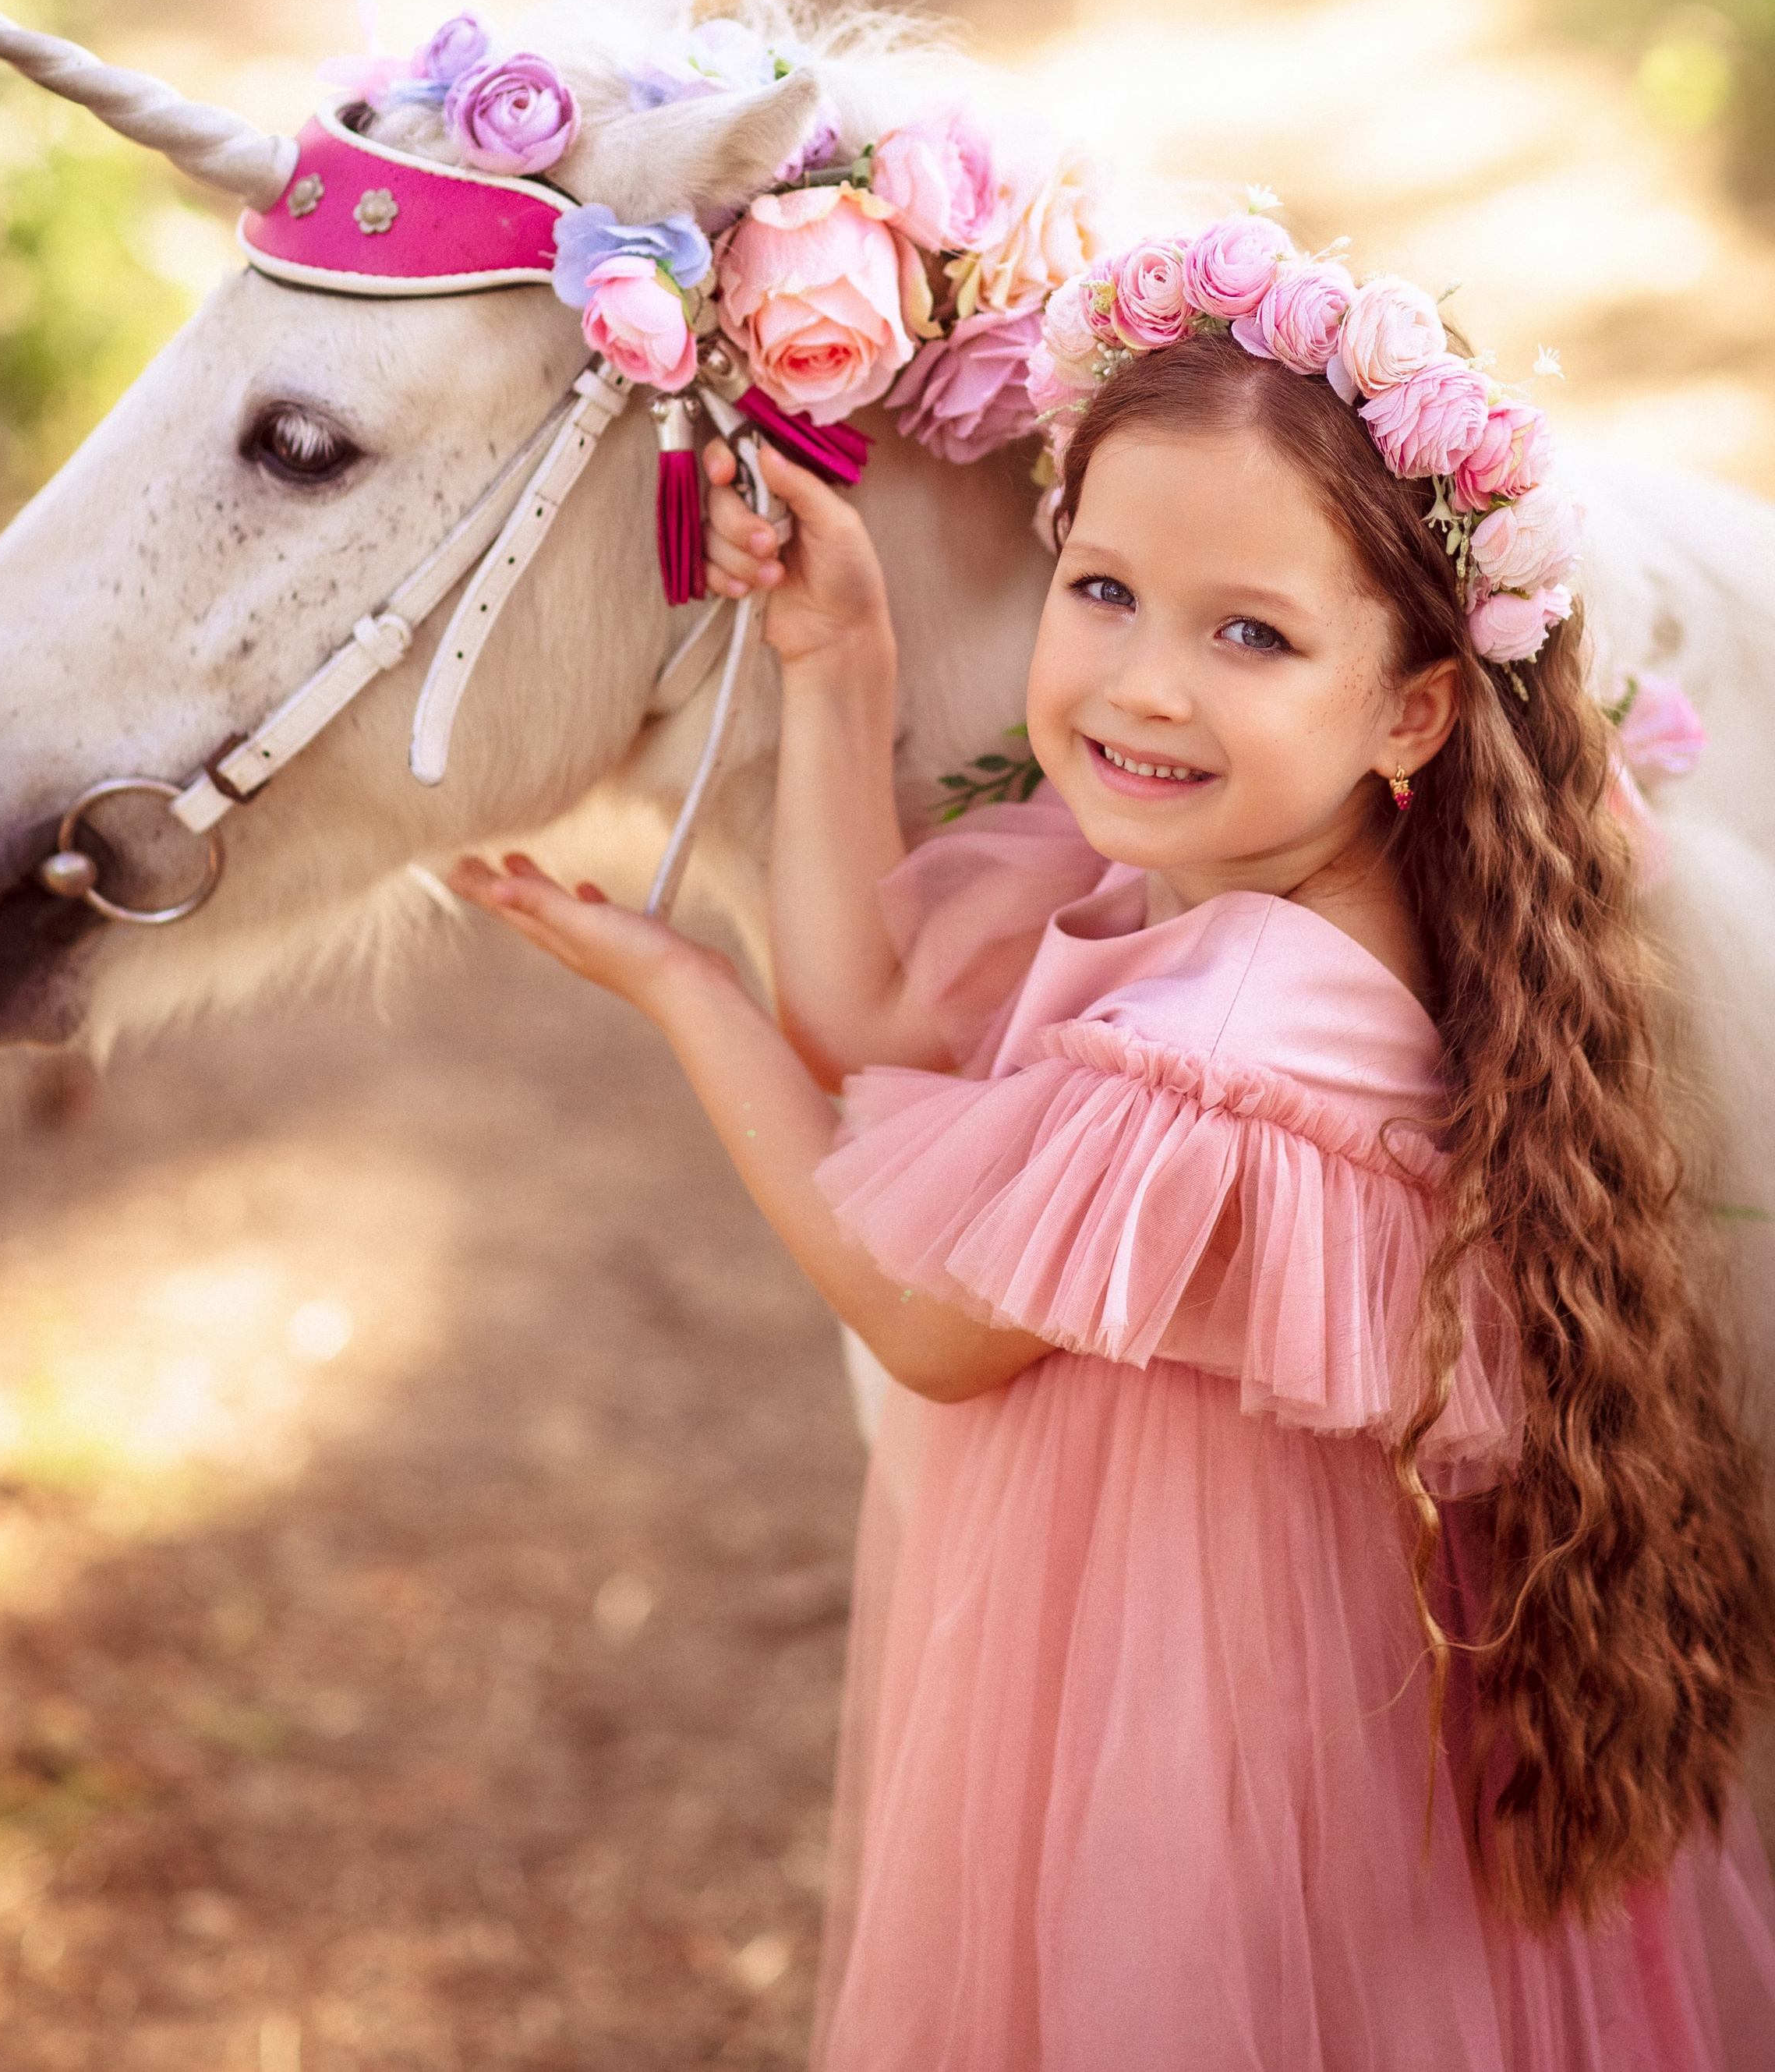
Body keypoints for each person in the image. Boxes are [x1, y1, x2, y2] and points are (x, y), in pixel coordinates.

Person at [451, 216, 1775, 2069]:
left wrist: (684, 991)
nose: (1144, 682)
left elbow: (922, 1320)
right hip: (1204, 1707)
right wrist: (839, 659)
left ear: (1411, 707)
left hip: (1215, 1760)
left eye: (1249, 632)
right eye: (1101, 589)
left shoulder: (1230, 1040)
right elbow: (882, 1023)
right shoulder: (1235, 885)